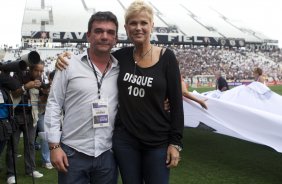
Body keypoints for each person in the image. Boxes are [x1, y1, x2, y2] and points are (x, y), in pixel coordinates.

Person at [56, 1, 184, 183]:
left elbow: (177, 105)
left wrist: (175, 143)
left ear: (152, 25)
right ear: (126, 28)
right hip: (125, 141)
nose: (138, 28)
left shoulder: (167, 57)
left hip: (157, 141)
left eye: (143, 23)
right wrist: (64, 57)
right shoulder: (120, 57)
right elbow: (95, 56)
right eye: (133, 23)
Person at [44, 12, 119, 184]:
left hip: (107, 153)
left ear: (115, 38)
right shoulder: (68, 64)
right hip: (73, 153)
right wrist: (54, 146)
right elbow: (54, 103)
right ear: (88, 35)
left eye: (110, 32)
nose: (104, 36)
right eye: (98, 31)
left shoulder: (121, 69)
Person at [5, 62, 44, 184]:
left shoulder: (39, 79)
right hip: (16, 116)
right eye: (37, 70)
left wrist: (45, 91)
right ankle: (11, 173)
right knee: (13, 146)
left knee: (30, 144)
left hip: (31, 116)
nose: (39, 73)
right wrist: (25, 87)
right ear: (31, 69)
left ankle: (30, 169)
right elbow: (12, 94)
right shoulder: (18, 76)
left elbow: (41, 99)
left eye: (41, 71)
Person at [37, 70, 56, 170]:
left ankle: (52, 157)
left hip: (55, 115)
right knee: (45, 136)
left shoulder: (60, 87)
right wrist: (46, 94)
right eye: (52, 79)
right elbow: (40, 102)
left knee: (54, 136)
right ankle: (46, 160)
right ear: (50, 79)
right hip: (42, 114)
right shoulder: (44, 87)